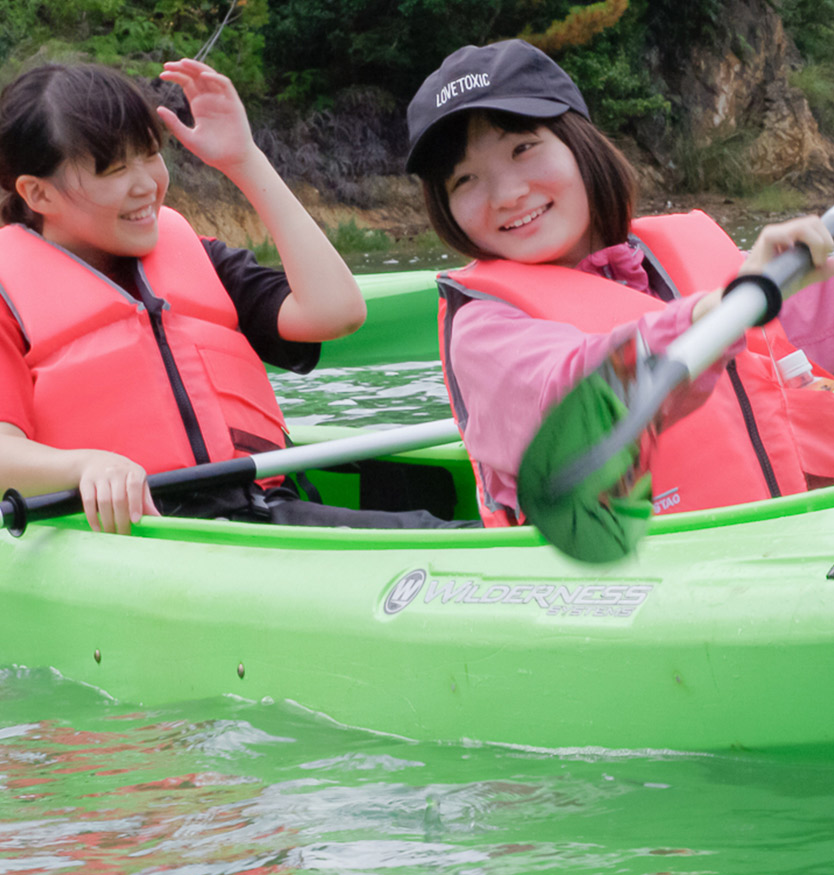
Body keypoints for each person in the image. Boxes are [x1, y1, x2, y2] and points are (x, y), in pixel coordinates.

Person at [0, 58, 446, 534]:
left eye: (150, 154)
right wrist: (83, 468)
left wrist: (243, 158)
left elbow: (335, 312)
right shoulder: (8, 295)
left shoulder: (200, 260)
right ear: (38, 195)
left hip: (262, 512)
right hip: (136, 537)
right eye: (112, 169)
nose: (147, 185)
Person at [405, 38, 834, 526]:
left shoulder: (701, 262)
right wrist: (724, 307)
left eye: (522, 148)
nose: (506, 194)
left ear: (579, 144)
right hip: (654, 583)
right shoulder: (483, 332)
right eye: (465, 180)